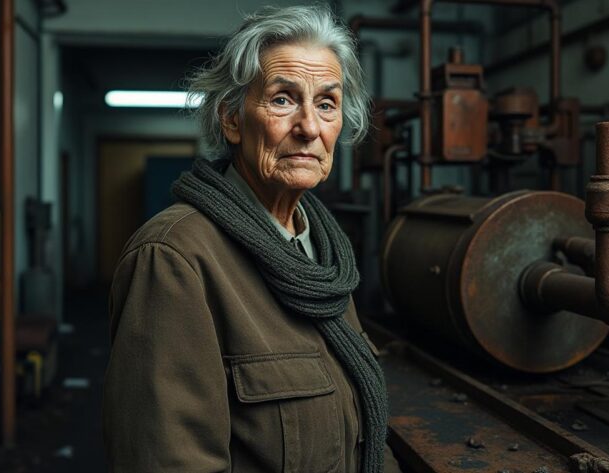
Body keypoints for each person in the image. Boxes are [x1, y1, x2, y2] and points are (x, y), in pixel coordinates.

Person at [103, 5, 401, 472]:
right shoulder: (174, 259)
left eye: (326, 104)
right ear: (232, 120)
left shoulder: (322, 255)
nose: (309, 127)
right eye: (283, 99)